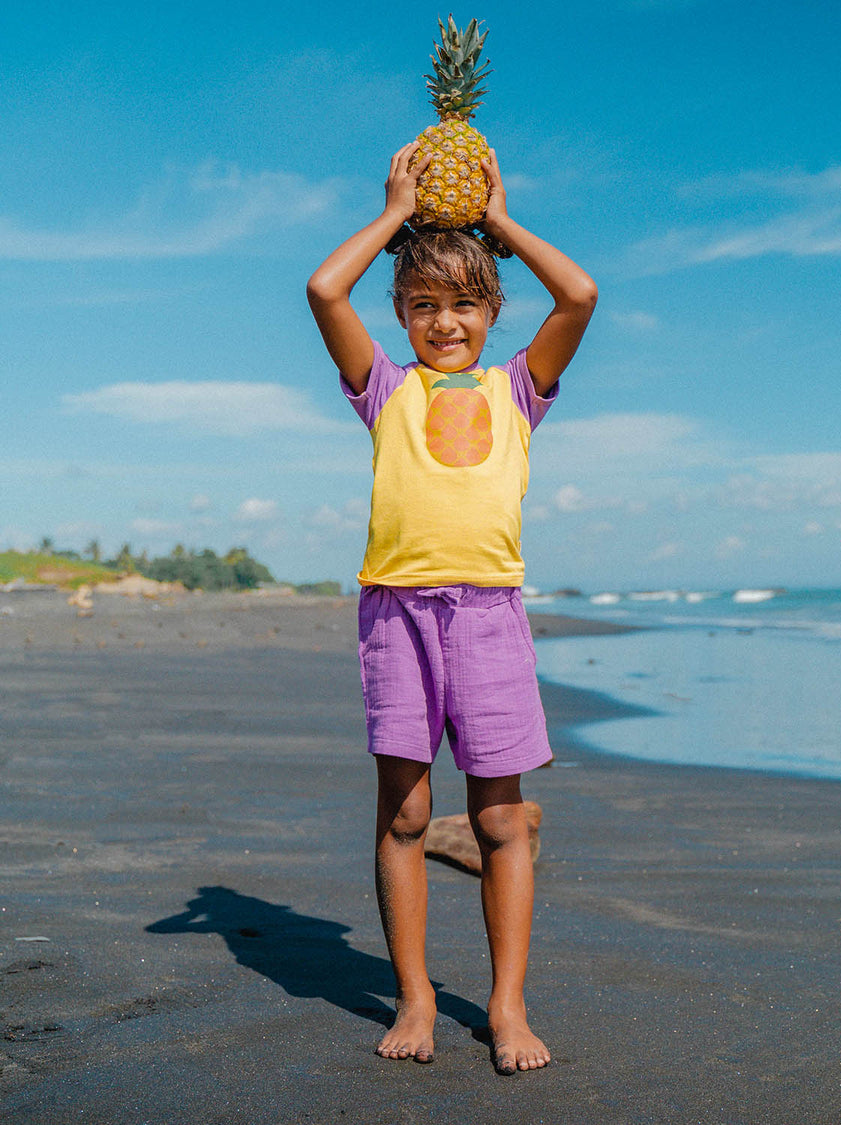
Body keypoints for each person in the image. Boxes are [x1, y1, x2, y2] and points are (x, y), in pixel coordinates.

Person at [307, 142, 597, 1074]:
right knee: (403, 814)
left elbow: (581, 296)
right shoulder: (384, 391)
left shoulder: (520, 391)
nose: (444, 322)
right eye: (424, 305)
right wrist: (398, 214)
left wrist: (499, 219)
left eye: (465, 303)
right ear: (401, 313)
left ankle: (507, 1005)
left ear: (493, 310)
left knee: (501, 820)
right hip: (396, 618)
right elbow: (322, 289)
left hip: (489, 618)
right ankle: (418, 995)